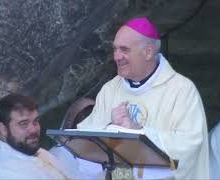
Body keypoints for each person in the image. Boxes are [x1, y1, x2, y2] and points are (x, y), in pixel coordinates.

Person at [77, 17, 209, 179]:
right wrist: (109, 127)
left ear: (148, 52)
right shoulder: (110, 89)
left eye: (124, 49)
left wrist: (139, 133)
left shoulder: (181, 91)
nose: (117, 56)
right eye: (115, 49)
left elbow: (189, 147)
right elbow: (85, 144)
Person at [0, 94, 81, 179]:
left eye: (35, 121)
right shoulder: (4, 172)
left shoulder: (30, 150)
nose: (33, 129)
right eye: (23, 124)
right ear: (3, 129)